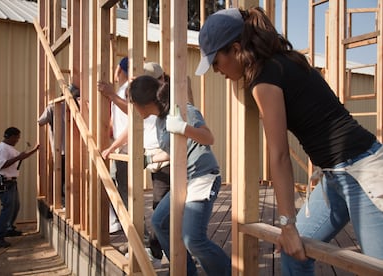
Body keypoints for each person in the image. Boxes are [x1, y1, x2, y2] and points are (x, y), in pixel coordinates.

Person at [195, 7, 383, 275]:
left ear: (236, 49)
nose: (216, 70)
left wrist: (287, 224)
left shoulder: (264, 80)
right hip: (334, 176)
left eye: (215, 61)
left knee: (376, 268)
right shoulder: (284, 62)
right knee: (295, 255)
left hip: (362, 172)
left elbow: (280, 155)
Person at [128, 75, 232, 276]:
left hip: (202, 177)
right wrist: (149, 160)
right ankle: (187, 273)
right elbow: (174, 149)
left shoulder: (183, 111)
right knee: (159, 222)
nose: (132, 108)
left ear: (144, 102)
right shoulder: (159, 121)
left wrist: (184, 127)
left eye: (133, 103)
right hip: (184, 180)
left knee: (193, 239)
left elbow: (208, 138)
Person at [99, 61, 170, 266]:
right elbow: (132, 125)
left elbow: (179, 148)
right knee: (159, 210)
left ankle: (154, 251)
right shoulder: (148, 102)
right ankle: (150, 247)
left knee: (161, 212)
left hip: (162, 159)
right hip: (154, 159)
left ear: (159, 81)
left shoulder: (162, 103)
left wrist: (112, 96)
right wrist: (112, 147)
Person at [0, 127, 40, 248]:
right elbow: (2, 165)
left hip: (11, 183)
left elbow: (21, 156)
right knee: (7, 209)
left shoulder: (9, 148)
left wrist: (35, 150)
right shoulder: (2, 148)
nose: (18, 140)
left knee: (15, 206)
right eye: (17, 137)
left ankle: (8, 228)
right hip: (4, 183)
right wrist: (18, 158)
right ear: (11, 136)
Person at [98, 56, 129, 233]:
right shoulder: (121, 90)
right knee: (117, 186)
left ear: (119, 69)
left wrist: (111, 95)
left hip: (126, 149)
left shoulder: (128, 88)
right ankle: (119, 222)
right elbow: (114, 123)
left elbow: (134, 113)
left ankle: (141, 238)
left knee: (125, 192)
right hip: (120, 147)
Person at [38, 84, 80, 208]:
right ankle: (72, 205)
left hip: (59, 150)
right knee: (72, 178)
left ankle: (64, 204)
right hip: (75, 150)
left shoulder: (52, 106)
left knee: (61, 178)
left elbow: (40, 122)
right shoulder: (77, 107)